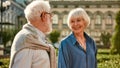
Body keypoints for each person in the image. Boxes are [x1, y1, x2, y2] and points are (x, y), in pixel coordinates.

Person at [9, 1, 56, 68]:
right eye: (50, 15)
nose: (52, 19)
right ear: (44, 16)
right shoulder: (27, 38)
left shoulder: (36, 38)